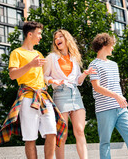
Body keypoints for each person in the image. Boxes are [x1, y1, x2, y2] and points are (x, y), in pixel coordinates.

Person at [0, 21, 66, 159]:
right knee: (30, 138)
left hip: (44, 97)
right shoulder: (17, 53)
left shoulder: (39, 54)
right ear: (30, 34)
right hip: (28, 98)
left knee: (52, 132)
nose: (41, 36)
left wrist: (53, 81)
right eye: (39, 33)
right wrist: (30, 64)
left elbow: (43, 76)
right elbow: (12, 75)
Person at [89, 33, 128, 159]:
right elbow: (96, 87)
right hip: (104, 109)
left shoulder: (114, 64)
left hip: (121, 107)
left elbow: (116, 86)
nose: (113, 48)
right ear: (104, 44)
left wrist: (119, 98)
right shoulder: (94, 65)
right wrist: (116, 96)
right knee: (105, 141)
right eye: (111, 45)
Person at [44, 29, 95, 159]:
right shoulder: (51, 57)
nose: (57, 39)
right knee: (62, 133)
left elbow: (78, 81)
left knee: (79, 130)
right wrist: (53, 80)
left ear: (67, 39)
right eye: (55, 38)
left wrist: (85, 73)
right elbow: (44, 77)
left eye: (60, 36)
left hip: (75, 94)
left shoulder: (74, 58)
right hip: (60, 94)